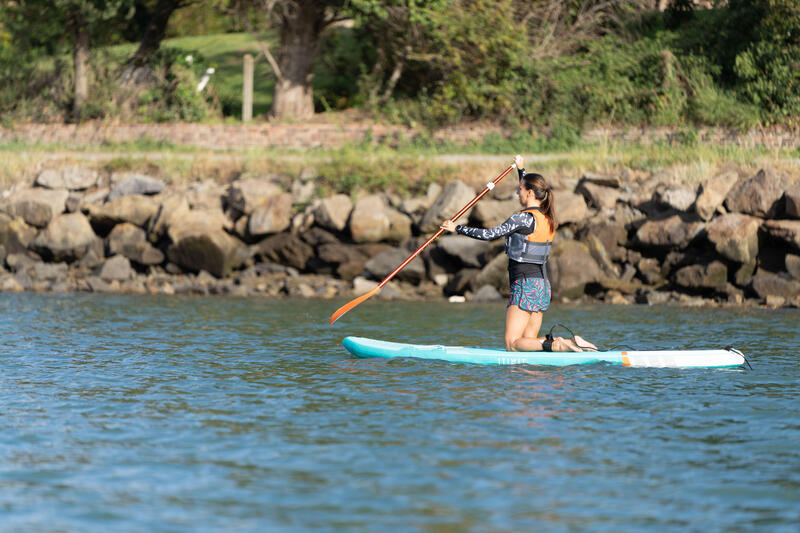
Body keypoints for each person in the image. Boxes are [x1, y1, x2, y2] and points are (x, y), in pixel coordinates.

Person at [441, 155, 596, 353]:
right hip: (541, 286)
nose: (517, 192)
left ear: (530, 193)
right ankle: (574, 343)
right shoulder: (548, 218)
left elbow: (490, 234)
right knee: (527, 343)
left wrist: (457, 228)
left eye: (520, 189)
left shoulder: (522, 219)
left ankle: (558, 343)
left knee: (512, 344)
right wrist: (521, 170)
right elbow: (529, 189)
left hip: (524, 285)